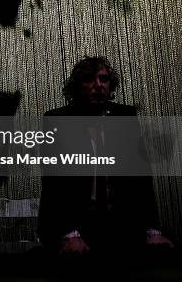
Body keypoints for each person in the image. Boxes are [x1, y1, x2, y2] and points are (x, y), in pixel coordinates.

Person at [37, 56, 174, 255]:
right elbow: (55, 185)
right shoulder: (57, 120)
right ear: (77, 86)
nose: (98, 85)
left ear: (111, 86)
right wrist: (69, 234)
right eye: (89, 79)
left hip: (121, 225)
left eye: (104, 79)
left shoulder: (125, 117)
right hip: (77, 226)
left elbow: (141, 180)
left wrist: (152, 230)